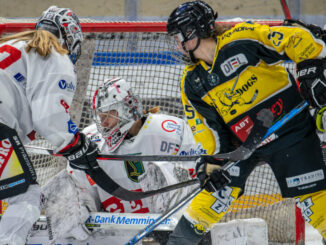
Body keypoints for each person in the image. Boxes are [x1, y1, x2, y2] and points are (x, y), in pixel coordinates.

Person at [165, 1, 326, 244]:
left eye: (179, 36)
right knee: (209, 201)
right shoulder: (192, 82)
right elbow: (207, 130)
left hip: (290, 132)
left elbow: (299, 36)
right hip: (241, 147)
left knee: (318, 205)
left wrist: (311, 68)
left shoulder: (241, 39)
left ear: (193, 31)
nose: (177, 44)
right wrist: (211, 163)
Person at [39, 77, 203, 244]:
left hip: (166, 227)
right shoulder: (91, 140)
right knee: (63, 186)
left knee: (163, 170)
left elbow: (195, 178)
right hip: (113, 230)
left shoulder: (171, 130)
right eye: (100, 116)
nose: (103, 123)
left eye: (109, 114)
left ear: (129, 108)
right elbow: (76, 185)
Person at [0, 6, 99, 245]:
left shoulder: (19, 47)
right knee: (25, 197)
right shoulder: (54, 54)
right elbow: (50, 116)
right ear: (71, 38)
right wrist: (76, 144)